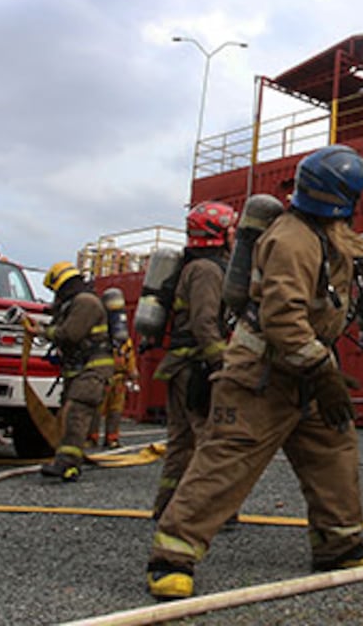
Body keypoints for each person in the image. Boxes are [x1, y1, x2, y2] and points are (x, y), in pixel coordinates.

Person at [145, 145, 363, 600]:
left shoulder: (325, 234)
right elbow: (281, 319)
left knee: (333, 452)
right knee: (226, 460)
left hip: (306, 370)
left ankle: (340, 544)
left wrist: (320, 370)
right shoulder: (293, 240)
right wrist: (323, 371)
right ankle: (171, 558)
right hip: (262, 374)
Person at [149, 200, 236, 519]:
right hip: (195, 368)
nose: (234, 234)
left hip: (181, 365)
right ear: (218, 234)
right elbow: (203, 323)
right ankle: (204, 509)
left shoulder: (195, 266)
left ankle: (168, 505)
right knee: (208, 439)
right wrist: (221, 363)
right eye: (230, 229)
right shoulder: (207, 271)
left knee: (182, 441)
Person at [28, 263, 115, 481]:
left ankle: (68, 465)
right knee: (68, 414)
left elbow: (70, 334)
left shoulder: (85, 302)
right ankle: (67, 459)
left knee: (76, 413)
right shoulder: (76, 303)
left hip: (92, 369)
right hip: (80, 369)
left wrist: (42, 331)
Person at [86, 287, 139, 449]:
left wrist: (132, 372)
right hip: (105, 377)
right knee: (97, 408)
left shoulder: (121, 337)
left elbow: (128, 353)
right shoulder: (103, 333)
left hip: (119, 379)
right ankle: (92, 437)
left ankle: (111, 438)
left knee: (115, 411)